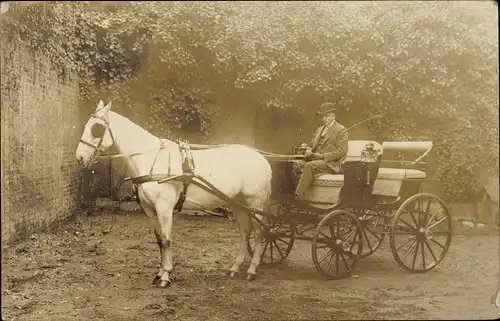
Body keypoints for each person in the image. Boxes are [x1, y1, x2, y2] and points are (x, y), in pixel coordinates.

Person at [294, 102, 348, 200]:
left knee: (309, 166)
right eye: (322, 117)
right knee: (296, 164)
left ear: (333, 116)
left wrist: (322, 156)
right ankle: (301, 192)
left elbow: (341, 151)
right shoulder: (319, 129)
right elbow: (311, 145)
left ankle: (298, 196)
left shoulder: (341, 130)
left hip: (330, 163)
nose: (324, 119)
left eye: (326, 116)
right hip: (315, 159)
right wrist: (308, 150)